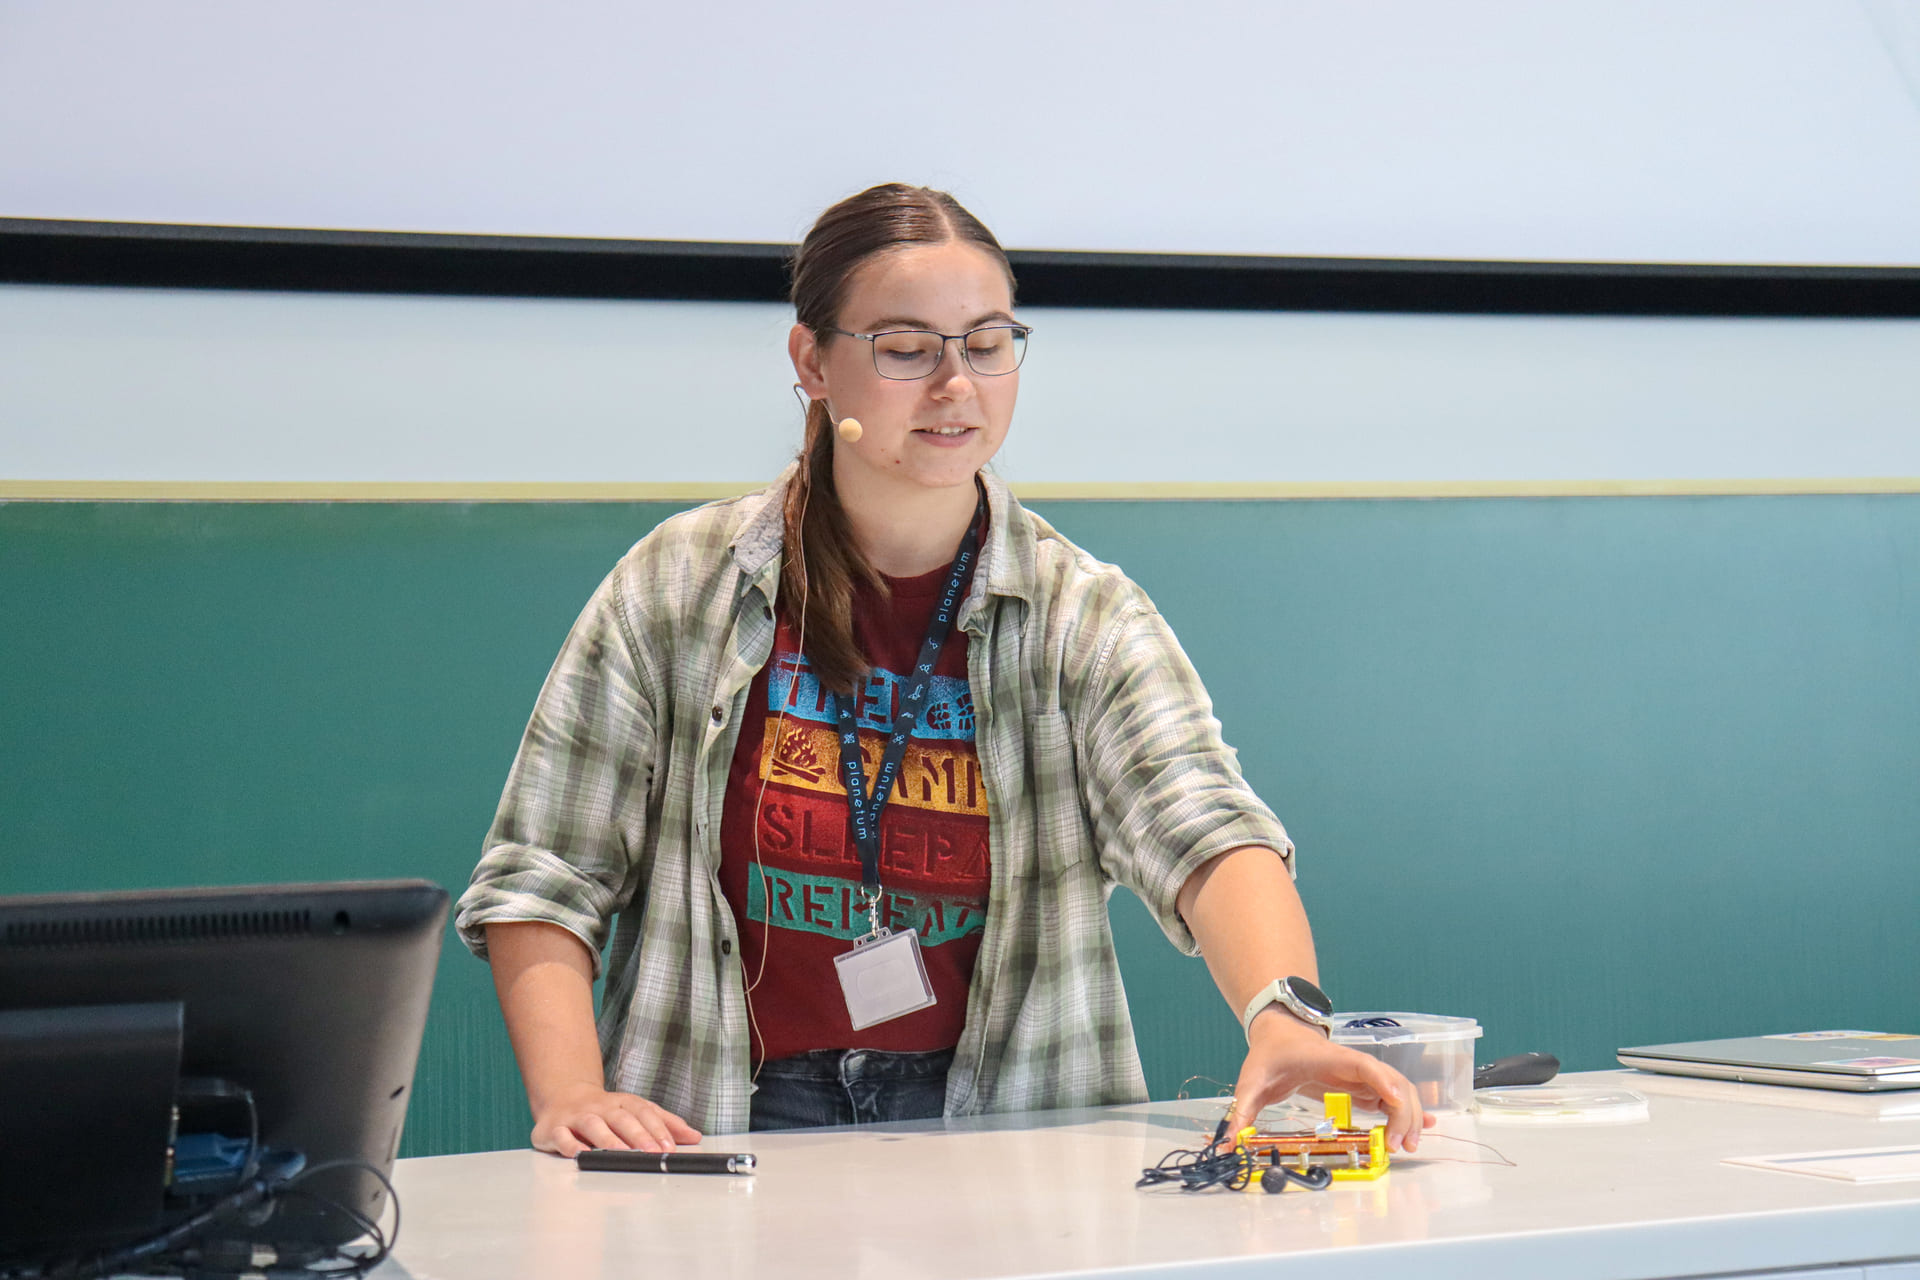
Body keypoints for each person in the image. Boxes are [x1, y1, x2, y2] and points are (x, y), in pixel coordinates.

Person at [455, 182, 1433, 1158]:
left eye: (988, 342)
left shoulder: (1079, 612)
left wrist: (1284, 1018)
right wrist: (572, 1093)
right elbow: (546, 872)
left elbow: (1204, 827)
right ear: (813, 362)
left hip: (1007, 1122)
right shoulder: (679, 583)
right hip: (719, 1117)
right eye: (906, 347)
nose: (956, 384)